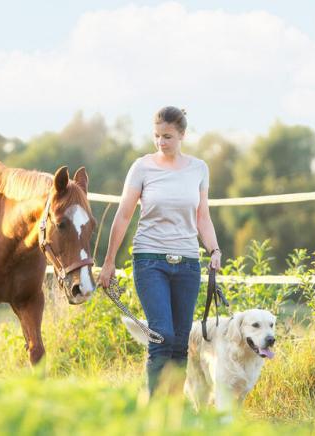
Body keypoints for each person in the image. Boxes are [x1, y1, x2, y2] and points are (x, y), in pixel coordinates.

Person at [97, 106, 222, 396]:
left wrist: (214, 248)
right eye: (156, 136)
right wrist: (109, 261)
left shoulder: (199, 169)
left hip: (188, 263)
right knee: (161, 333)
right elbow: (124, 215)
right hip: (149, 260)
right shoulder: (142, 167)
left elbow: (203, 217)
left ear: (182, 135)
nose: (161, 142)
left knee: (180, 342)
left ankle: (173, 412)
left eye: (167, 136)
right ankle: (154, 409)